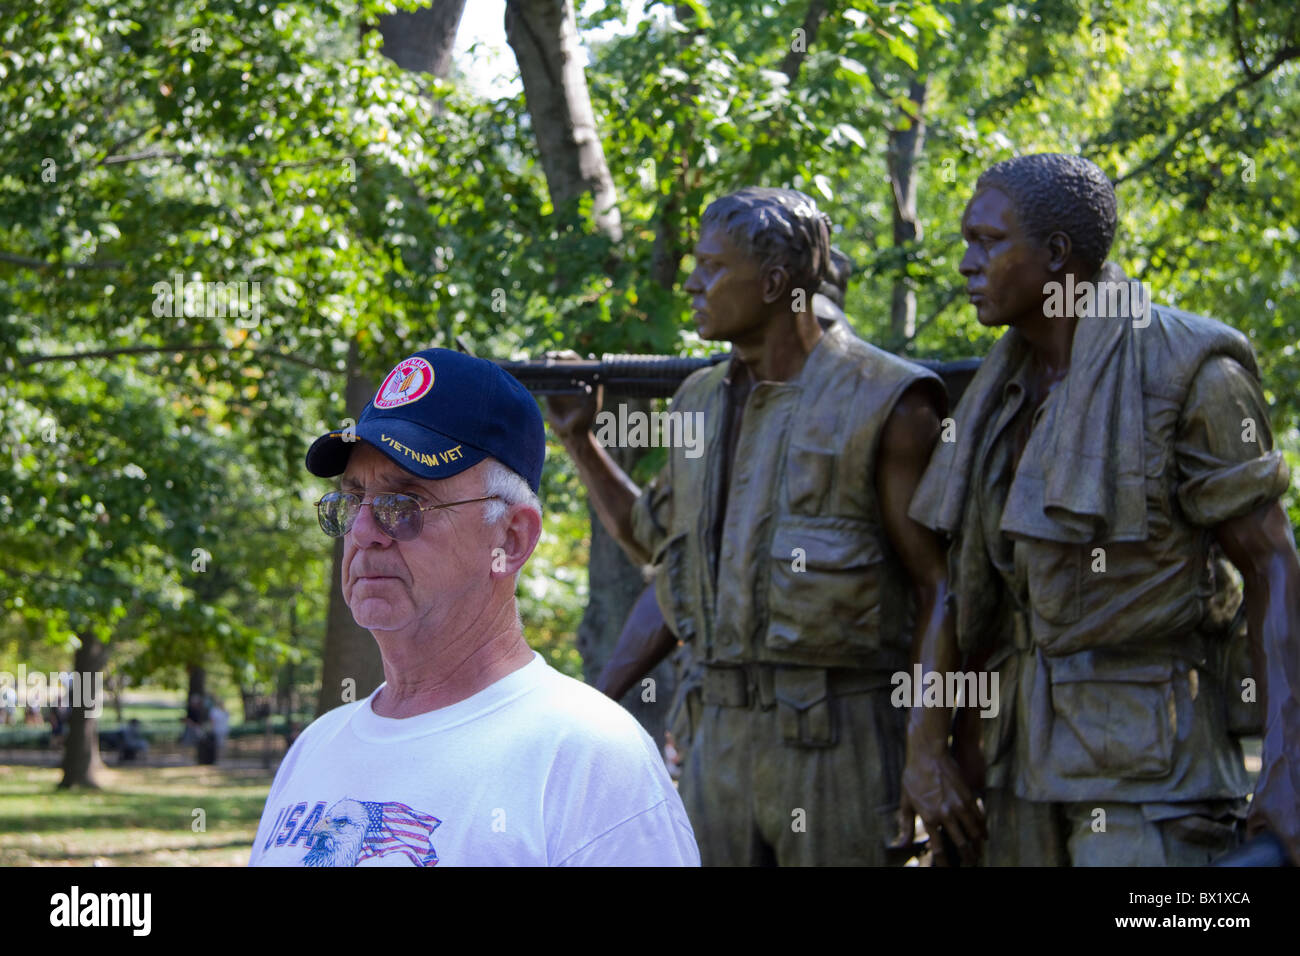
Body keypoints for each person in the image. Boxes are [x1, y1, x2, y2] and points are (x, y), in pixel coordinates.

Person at [548, 188, 980, 865]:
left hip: (841, 740)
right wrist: (582, 443)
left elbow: (942, 586)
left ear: (776, 282)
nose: (692, 282)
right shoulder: (698, 400)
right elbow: (663, 555)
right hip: (715, 739)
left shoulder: (888, 401)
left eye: (712, 267)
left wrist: (929, 748)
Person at [908, 152, 1300, 865]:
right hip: (1016, 773)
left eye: (988, 242)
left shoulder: (1190, 370)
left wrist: (1288, 762)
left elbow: (1274, 566)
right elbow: (964, 596)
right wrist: (928, 744)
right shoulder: (996, 401)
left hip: (1147, 776)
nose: (966, 263)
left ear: (1057, 254)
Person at [249, 348, 699, 867]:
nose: (364, 532)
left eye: (404, 505)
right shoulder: (316, 747)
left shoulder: (590, 759)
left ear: (511, 537)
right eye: (351, 501)